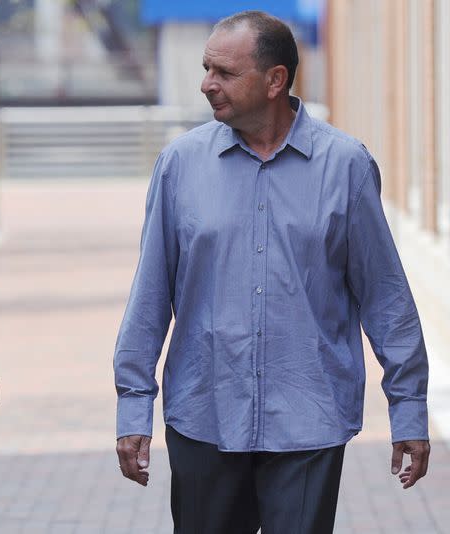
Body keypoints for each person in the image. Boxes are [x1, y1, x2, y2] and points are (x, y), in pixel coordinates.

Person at [114, 10, 430, 533]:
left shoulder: (345, 166)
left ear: (275, 80)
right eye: (205, 68)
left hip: (309, 419)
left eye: (224, 72)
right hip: (204, 417)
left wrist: (409, 410)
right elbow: (149, 298)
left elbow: (385, 298)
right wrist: (133, 410)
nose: (206, 84)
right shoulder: (179, 166)